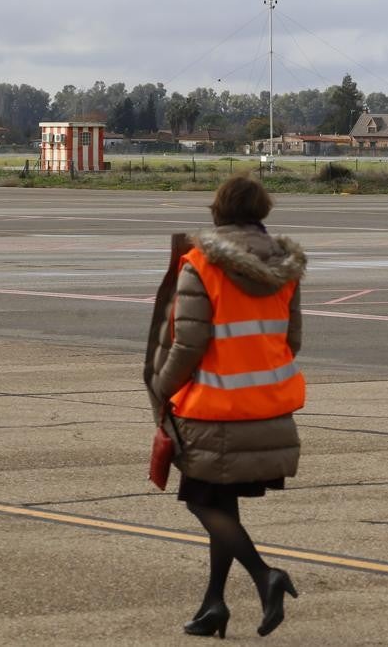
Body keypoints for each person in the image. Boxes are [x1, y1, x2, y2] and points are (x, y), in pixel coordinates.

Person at [144, 173, 308, 638]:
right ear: (261, 211)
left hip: (212, 409)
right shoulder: (286, 267)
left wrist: (161, 387)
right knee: (223, 504)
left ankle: (265, 575)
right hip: (267, 406)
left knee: (200, 500)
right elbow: (292, 340)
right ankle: (214, 604)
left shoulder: (202, 263)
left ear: (218, 211)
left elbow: (187, 343)